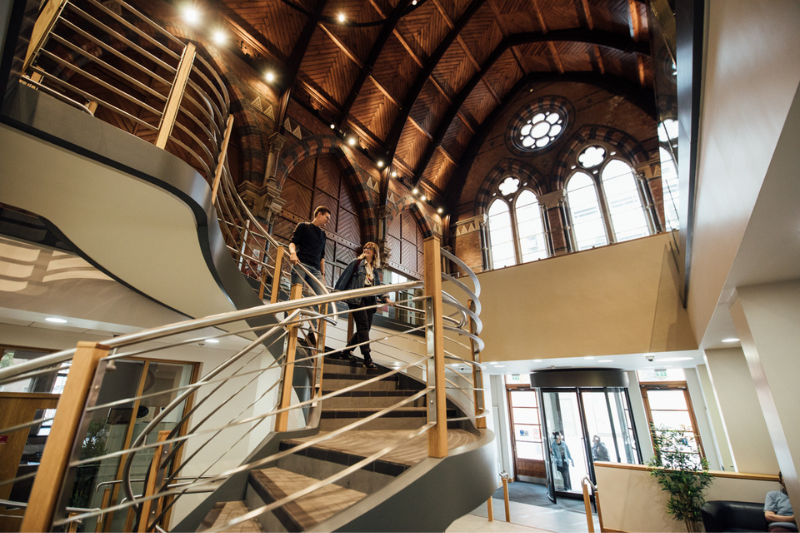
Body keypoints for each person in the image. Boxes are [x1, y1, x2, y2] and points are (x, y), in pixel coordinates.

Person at [334, 242, 391, 369]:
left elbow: (378, 286)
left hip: (370, 300)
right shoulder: (356, 263)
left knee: (365, 328)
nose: (366, 249)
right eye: (365, 247)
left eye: (369, 248)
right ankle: (367, 358)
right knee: (363, 326)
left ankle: (346, 351)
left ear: (374, 252)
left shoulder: (374, 269)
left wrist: (385, 297)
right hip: (356, 299)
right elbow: (344, 278)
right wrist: (336, 294)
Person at [288, 206, 331, 327]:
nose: (328, 221)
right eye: (327, 218)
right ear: (319, 214)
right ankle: (291, 321)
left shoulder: (323, 235)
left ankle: (313, 330)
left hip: (316, 270)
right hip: (301, 265)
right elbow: (292, 243)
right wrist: (293, 253)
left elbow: (322, 257)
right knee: (295, 295)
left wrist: (322, 274)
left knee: (322, 298)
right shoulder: (303, 226)